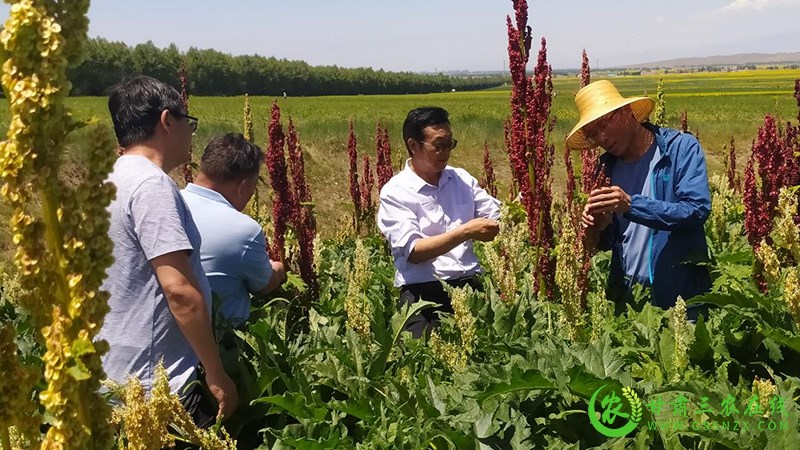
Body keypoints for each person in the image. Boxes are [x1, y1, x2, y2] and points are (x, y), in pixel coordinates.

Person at [99, 76, 237, 428]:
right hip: (160, 384)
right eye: (188, 123)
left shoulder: (107, 181)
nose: (191, 134)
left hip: (114, 373)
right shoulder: (151, 186)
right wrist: (216, 371)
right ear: (166, 121)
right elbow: (178, 290)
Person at [567, 80, 711, 318]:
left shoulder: (680, 149)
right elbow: (610, 243)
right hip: (630, 302)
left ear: (627, 113)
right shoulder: (605, 169)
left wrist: (632, 205)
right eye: (593, 134)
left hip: (681, 301)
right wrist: (600, 227)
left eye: (603, 124)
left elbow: (695, 211)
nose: (601, 137)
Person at [378, 107, 500, 337]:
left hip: (469, 288)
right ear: (413, 145)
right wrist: (465, 231)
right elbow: (414, 251)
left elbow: (496, 215)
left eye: (449, 144)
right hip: (423, 297)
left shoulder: (461, 179)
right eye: (438, 145)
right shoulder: (395, 192)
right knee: (424, 364)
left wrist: (522, 205)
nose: (445, 152)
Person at [180, 133, 286, 326]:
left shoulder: (169, 204)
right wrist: (278, 270)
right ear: (242, 185)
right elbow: (263, 285)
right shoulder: (244, 230)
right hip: (223, 341)